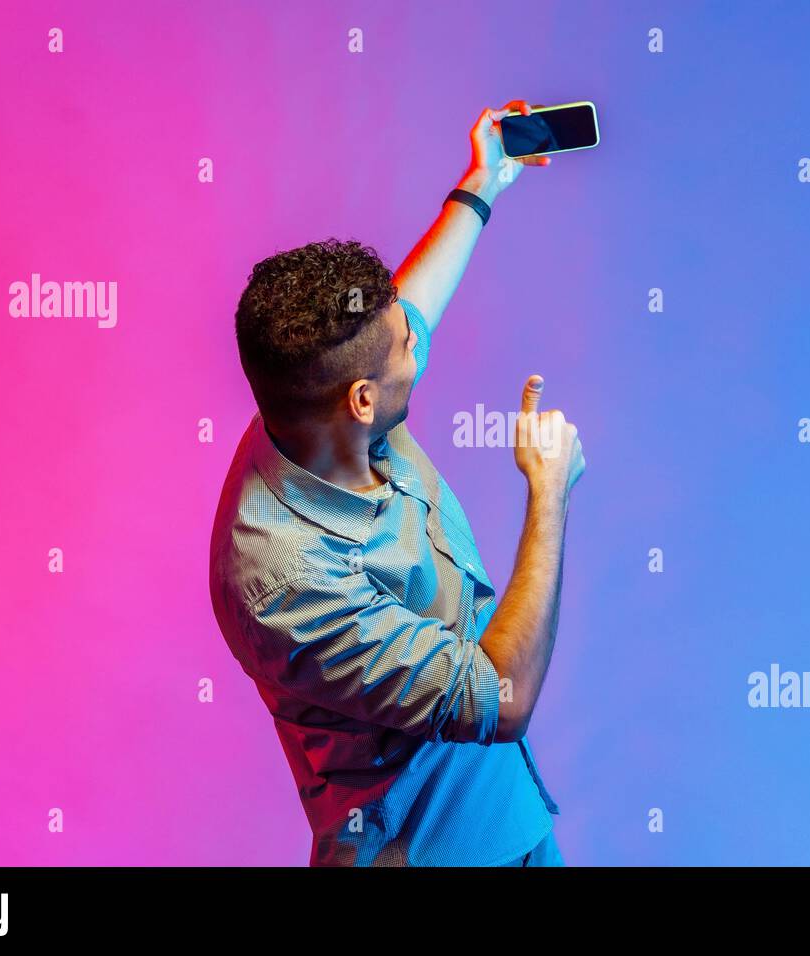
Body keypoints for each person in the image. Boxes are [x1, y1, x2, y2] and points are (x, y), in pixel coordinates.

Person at [208, 100, 585, 866]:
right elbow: (500, 699)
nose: (418, 332)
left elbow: (406, 307)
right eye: (406, 343)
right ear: (364, 400)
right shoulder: (284, 579)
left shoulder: (322, 410)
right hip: (430, 848)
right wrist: (548, 494)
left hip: (500, 813)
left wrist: (482, 185)